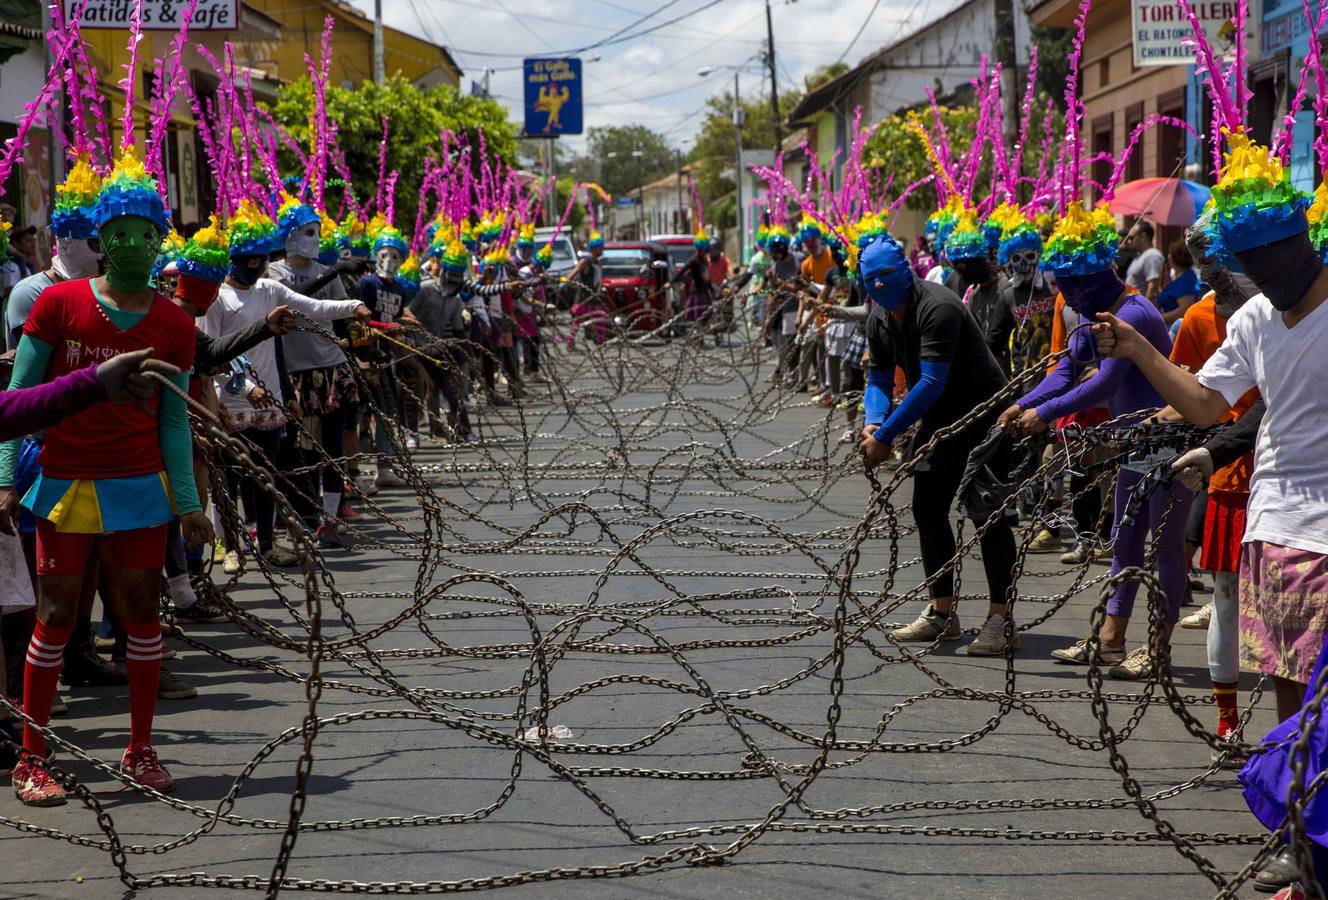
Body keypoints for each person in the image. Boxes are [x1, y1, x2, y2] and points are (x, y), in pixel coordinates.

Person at [1094, 133, 1328, 892]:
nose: (1264, 277)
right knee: (1294, 702)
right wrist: (1138, 351)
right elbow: (1204, 400)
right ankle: (1304, 840)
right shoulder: (1257, 317)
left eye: (1275, 259)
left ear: (1302, 241)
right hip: (1273, 530)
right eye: (1249, 263)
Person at [0, 148, 210, 805]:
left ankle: (141, 749)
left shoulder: (175, 323)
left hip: (139, 491)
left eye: (140, 233)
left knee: (142, 618)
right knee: (56, 616)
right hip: (62, 486)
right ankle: (32, 758)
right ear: (98, 237)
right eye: (114, 232)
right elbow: (14, 395)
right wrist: (6, 477)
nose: (126, 243)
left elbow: (174, 424)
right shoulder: (57, 305)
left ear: (157, 239)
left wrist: (190, 502)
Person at [1002, 204, 1193, 680]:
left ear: (1090, 278)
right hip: (1134, 441)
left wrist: (1043, 414)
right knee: (1124, 538)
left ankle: (1157, 646)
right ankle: (1110, 640)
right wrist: (1023, 402)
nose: (1063, 296)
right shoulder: (1088, 313)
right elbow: (1066, 370)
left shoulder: (1133, 313)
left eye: (1069, 286)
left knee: (1164, 546)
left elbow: (1106, 383)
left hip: (1168, 436)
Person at [857, 230, 1019, 657]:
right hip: (941, 420)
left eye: (886, 275)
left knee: (987, 515)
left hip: (985, 415)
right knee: (927, 508)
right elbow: (877, 376)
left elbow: (930, 382)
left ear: (906, 270)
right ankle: (942, 614)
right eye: (870, 278)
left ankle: (1001, 619)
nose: (878, 285)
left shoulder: (939, 306)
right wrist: (873, 424)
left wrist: (887, 436)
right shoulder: (879, 317)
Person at [204, 200, 370, 573]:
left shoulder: (270, 289)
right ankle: (230, 546)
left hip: (271, 400)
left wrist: (353, 306)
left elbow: (312, 307)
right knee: (229, 479)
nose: (255, 268)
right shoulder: (217, 299)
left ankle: (266, 543)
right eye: (248, 261)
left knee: (266, 478)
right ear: (234, 259)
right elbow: (211, 354)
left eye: (260, 260)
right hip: (231, 403)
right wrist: (245, 387)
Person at [267, 194, 362, 547]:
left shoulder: (325, 271)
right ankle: (302, 515)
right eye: (307, 232)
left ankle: (331, 518)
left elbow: (336, 314)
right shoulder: (273, 274)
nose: (314, 239)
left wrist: (354, 345)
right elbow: (298, 299)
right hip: (292, 373)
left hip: (330, 367)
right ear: (289, 235)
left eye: (317, 232)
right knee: (295, 449)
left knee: (333, 446)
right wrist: (335, 272)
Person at [1156, 239, 1199, 327]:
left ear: (1172, 259)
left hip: (1175, 328)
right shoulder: (1181, 277)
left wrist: (1158, 317)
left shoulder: (1186, 280)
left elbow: (1184, 310)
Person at [1122, 219, 1164, 300]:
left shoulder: (1152, 255)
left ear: (1143, 237)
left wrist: (1145, 309)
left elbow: (1153, 286)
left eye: (1131, 238)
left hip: (1141, 308)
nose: (1128, 242)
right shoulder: (1140, 256)